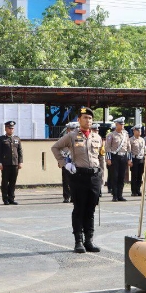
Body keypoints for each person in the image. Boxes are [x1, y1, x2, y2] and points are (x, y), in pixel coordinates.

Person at [51, 107, 105, 253]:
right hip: (79, 177)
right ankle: (78, 241)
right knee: (79, 209)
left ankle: (89, 240)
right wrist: (65, 164)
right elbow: (55, 148)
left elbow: (101, 158)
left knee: (91, 209)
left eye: (90, 118)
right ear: (79, 120)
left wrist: (102, 178)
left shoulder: (97, 138)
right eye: (85, 118)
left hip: (94, 176)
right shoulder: (72, 136)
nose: (88, 120)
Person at [0, 121, 23, 205]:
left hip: (14, 163)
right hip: (5, 163)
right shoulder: (1, 139)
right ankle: (5, 198)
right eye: (9, 128)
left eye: (12, 128)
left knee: (13, 181)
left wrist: (20, 162)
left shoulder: (16, 138)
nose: (11, 130)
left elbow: (20, 151)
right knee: (5, 181)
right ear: (5, 129)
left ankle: (11, 198)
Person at [105, 117, 130, 201]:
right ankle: (115, 195)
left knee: (121, 177)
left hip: (123, 157)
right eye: (121, 124)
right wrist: (108, 158)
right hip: (114, 157)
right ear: (116, 125)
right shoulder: (111, 135)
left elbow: (128, 147)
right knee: (114, 177)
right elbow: (108, 147)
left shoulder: (126, 134)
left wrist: (130, 159)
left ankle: (120, 195)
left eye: (123, 124)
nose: (122, 125)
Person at [57, 122, 77, 203]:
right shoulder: (63, 139)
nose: (72, 130)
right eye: (71, 129)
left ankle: (74, 196)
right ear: (68, 129)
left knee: (75, 179)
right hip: (65, 160)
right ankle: (66, 196)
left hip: (76, 160)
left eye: (74, 129)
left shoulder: (79, 138)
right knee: (66, 180)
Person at [129, 124, 146, 196]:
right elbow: (129, 151)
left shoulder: (142, 140)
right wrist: (130, 160)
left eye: (140, 130)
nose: (140, 131)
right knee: (134, 176)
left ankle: (138, 190)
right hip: (134, 159)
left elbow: (144, 150)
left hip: (141, 159)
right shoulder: (131, 140)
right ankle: (133, 191)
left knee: (140, 175)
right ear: (134, 131)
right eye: (138, 130)